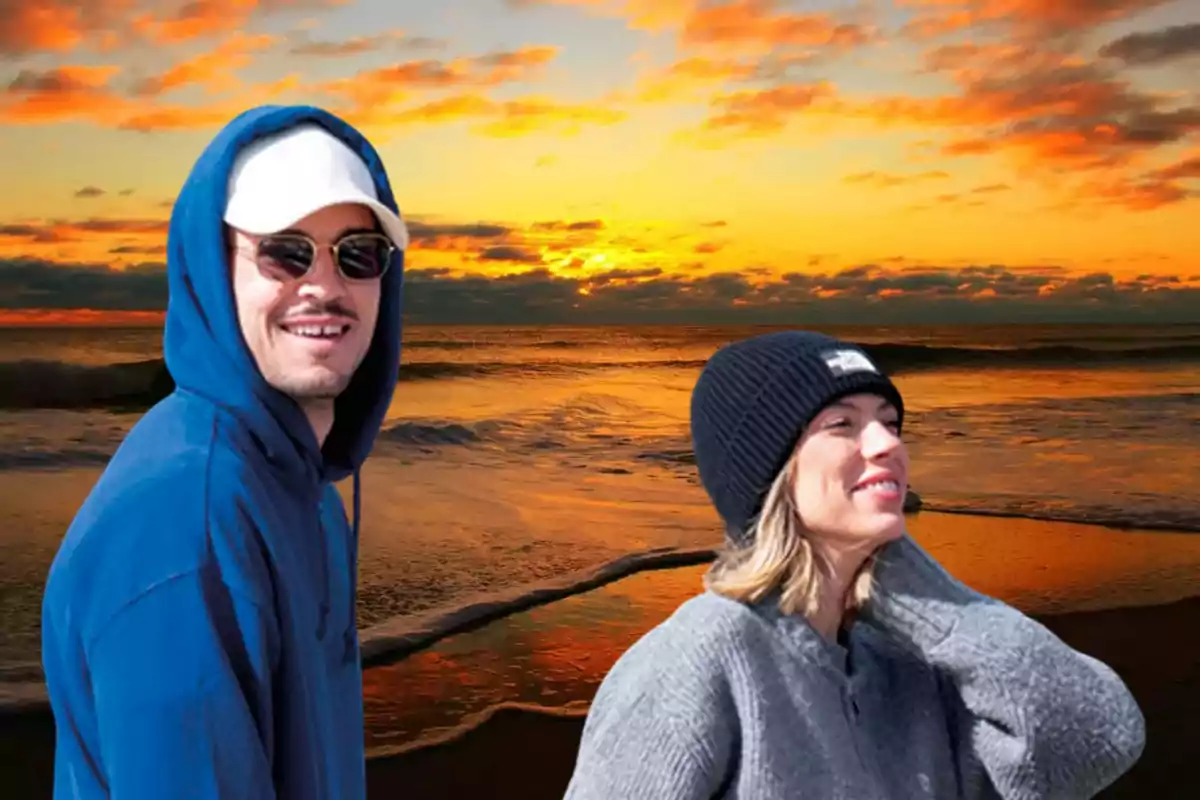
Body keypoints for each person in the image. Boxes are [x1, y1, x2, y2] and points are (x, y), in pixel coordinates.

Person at [564, 330, 1146, 799]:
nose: (886, 443)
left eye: (890, 422)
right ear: (771, 475)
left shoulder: (912, 661)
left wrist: (925, 599)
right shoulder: (700, 657)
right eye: (842, 424)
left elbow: (1099, 742)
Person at [40, 105, 409, 798]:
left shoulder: (302, 491)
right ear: (214, 268)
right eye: (285, 250)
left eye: (357, 253)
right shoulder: (185, 523)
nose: (324, 286)